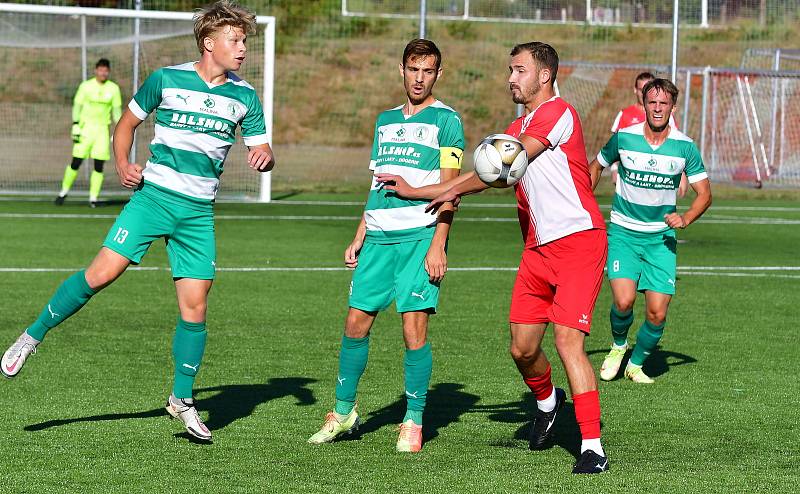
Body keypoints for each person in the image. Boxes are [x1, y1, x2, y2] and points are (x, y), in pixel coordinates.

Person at [1, 0, 274, 442]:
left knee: (196, 306)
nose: (242, 48)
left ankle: (182, 400)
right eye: (235, 39)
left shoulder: (245, 96)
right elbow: (126, 124)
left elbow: (262, 148)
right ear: (209, 42)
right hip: (153, 201)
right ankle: (30, 337)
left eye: (244, 40)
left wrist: (263, 156)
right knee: (100, 275)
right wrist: (123, 163)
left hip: (198, 214)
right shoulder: (166, 79)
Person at [376, 42, 609, 474]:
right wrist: (422, 190)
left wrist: (445, 190)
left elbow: (506, 162)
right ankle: (547, 401)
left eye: (519, 70)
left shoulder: (559, 113)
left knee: (566, 341)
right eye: (510, 70)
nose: (511, 78)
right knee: (522, 350)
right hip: (537, 250)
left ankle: (592, 446)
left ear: (544, 76)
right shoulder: (517, 125)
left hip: (579, 242)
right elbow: (487, 173)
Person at [307, 39, 464, 453]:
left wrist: (439, 245)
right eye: (414, 69)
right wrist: (360, 233)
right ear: (402, 69)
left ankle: (412, 420)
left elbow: (451, 189)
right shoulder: (384, 121)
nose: (419, 77)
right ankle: (343, 413)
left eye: (428, 71)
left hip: (418, 239)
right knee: (355, 324)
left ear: (438, 74)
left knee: (413, 330)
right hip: (377, 238)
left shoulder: (447, 121)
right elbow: (376, 184)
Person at [589, 78, 711, 384]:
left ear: (672, 106)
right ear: (644, 104)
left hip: (661, 240)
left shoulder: (685, 146)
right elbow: (597, 164)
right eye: (652, 102)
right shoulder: (624, 138)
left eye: (663, 103)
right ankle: (619, 347)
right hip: (624, 233)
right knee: (623, 301)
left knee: (657, 313)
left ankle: (636, 364)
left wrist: (686, 219)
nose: (657, 108)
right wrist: (585, 202)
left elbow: (705, 193)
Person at [56, 58, 123, 207]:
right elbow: (77, 106)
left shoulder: (113, 89)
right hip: (85, 129)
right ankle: (63, 192)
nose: (103, 73)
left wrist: (119, 131)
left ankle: (93, 198)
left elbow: (117, 113)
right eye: (101, 70)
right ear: (96, 70)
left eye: (106, 70)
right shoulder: (86, 86)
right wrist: (75, 125)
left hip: (102, 131)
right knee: (76, 161)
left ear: (108, 71)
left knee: (99, 165)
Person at [609, 72, 687, 197]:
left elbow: (675, 144)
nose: (643, 93)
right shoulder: (625, 114)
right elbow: (614, 145)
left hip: (657, 175)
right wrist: (614, 169)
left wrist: (681, 173)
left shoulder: (664, 115)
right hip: (631, 176)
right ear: (635, 90)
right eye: (641, 89)